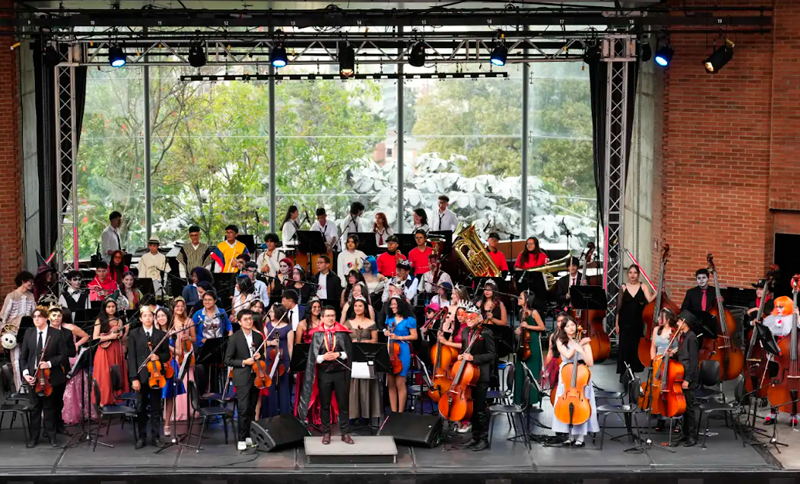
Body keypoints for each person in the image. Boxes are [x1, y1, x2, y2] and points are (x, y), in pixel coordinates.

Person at [297, 305, 354, 445]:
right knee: (325, 404)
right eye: (327, 316)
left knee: (343, 404)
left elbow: (350, 354)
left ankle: (345, 433)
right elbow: (311, 357)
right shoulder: (316, 334)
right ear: (322, 318)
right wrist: (323, 357)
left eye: (332, 316)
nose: (330, 318)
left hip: (340, 372)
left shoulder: (342, 332)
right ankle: (326, 433)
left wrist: (338, 354)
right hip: (324, 373)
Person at [20, 306, 70, 448]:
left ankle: (52, 437)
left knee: (49, 407)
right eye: (34, 317)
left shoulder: (56, 334)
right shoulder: (29, 333)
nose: (36, 319)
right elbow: (23, 357)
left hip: (50, 377)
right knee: (35, 408)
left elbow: (63, 355)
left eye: (39, 316)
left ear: (46, 318)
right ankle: (33, 438)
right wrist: (26, 374)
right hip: (33, 377)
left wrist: (48, 363)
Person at [126, 305, 170, 449]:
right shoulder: (133, 334)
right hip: (141, 376)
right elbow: (131, 357)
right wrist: (134, 378)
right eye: (144, 316)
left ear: (154, 318)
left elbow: (166, 355)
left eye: (150, 316)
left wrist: (158, 356)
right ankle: (142, 437)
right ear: (140, 318)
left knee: (156, 408)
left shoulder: (161, 334)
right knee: (141, 408)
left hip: (156, 376)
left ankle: (156, 437)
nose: (148, 318)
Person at [552, 316, 599, 447]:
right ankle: (569, 435)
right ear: (563, 329)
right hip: (567, 376)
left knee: (581, 404)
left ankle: (581, 437)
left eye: (572, 325)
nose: (571, 328)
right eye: (567, 326)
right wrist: (579, 345)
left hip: (581, 376)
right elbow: (567, 355)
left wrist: (582, 350)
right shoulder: (560, 340)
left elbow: (590, 362)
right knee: (565, 404)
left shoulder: (584, 343)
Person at [456, 303, 496, 451]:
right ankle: (474, 437)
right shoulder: (466, 332)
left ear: (479, 318)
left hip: (481, 374)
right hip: (468, 375)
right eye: (467, 317)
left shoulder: (486, 333)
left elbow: (492, 354)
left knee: (480, 408)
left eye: (472, 317)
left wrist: (474, 358)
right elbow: (464, 348)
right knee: (471, 408)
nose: (469, 319)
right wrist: (461, 355)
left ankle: (483, 439)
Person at [223, 309, 264, 452]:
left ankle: (249, 436)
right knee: (243, 409)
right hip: (242, 377)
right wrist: (244, 362)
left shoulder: (258, 338)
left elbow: (262, 357)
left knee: (252, 408)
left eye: (250, 319)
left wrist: (260, 357)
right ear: (239, 322)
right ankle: (241, 438)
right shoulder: (234, 338)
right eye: (245, 319)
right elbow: (227, 360)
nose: (249, 321)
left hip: (256, 376)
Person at [51, 307, 93, 427]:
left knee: (74, 384)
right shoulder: (52, 328)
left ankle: (75, 412)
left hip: (71, 358)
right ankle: (60, 414)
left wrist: (76, 345)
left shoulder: (70, 327)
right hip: (58, 359)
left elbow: (86, 336)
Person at [760, 296, 799, 426]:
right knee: (773, 382)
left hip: (791, 356)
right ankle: (773, 412)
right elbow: (766, 335)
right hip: (775, 356)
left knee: (794, 386)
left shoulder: (793, 318)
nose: (778, 309)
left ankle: (794, 413)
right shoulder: (771, 319)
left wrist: (797, 317)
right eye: (777, 306)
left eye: (781, 306)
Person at [344, 296, 382, 426]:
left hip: (366, 357)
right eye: (355, 306)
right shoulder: (347, 323)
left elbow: (375, 340)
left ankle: (366, 415)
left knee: (366, 383)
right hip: (352, 357)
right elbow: (343, 341)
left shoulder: (371, 322)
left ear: (365, 308)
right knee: (353, 384)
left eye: (360, 306)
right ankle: (352, 414)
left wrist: (363, 341)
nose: (358, 308)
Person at [615, 265, 655, 378]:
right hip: (624, 322)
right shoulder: (623, 287)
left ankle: (633, 371)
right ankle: (623, 373)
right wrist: (616, 323)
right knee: (624, 346)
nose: (632, 275)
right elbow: (618, 307)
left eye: (635, 273)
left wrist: (658, 292)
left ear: (638, 274)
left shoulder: (643, 286)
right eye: (630, 273)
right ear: (627, 274)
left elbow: (650, 299)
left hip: (637, 322)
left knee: (635, 345)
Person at [1, 271, 36, 388]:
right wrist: (2, 335)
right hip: (13, 333)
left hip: (27, 332)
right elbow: (3, 316)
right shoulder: (11, 296)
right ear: (22, 281)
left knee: (28, 358)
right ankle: (19, 388)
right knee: (16, 361)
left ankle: (29, 385)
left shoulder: (31, 296)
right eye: (29, 281)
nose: (32, 284)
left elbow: (34, 314)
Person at [670, 310, 700, 447]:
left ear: (685, 323)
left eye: (679, 320)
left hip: (689, 376)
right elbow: (683, 356)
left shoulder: (692, 338)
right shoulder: (682, 336)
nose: (677, 322)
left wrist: (688, 379)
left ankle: (692, 436)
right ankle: (685, 433)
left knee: (689, 408)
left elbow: (693, 361)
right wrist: (674, 355)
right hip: (682, 374)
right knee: (684, 406)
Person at [92, 299, 129, 406]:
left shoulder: (119, 321)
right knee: (104, 375)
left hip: (116, 348)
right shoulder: (100, 320)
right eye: (109, 306)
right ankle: (103, 400)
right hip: (104, 350)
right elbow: (95, 338)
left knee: (116, 374)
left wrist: (126, 332)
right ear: (105, 308)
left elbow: (121, 340)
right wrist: (110, 336)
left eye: (113, 306)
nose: (111, 308)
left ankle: (115, 399)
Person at [384, 296, 418, 413]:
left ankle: (400, 412)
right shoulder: (389, 318)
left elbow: (414, 336)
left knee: (400, 382)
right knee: (391, 383)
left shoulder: (409, 320)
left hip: (402, 349)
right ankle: (393, 411)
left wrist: (399, 337)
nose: (392, 306)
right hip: (390, 349)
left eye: (394, 304)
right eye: (391, 304)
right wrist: (387, 332)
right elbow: (387, 330)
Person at [167, 297, 195, 433]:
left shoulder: (189, 321)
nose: (180, 308)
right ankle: (175, 412)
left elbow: (195, 338)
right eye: (177, 306)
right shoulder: (169, 322)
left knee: (187, 379)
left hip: (186, 351)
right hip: (173, 354)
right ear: (172, 308)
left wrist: (189, 338)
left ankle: (187, 410)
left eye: (182, 306)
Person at [514, 291, 546, 407]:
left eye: (520, 297)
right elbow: (522, 325)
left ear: (527, 300)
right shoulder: (521, 312)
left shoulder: (534, 313)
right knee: (520, 367)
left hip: (532, 342)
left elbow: (542, 327)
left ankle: (531, 399)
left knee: (531, 368)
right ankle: (520, 397)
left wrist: (528, 326)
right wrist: (518, 329)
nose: (518, 299)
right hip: (523, 341)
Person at [650, 308, 679, 432]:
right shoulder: (656, 330)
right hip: (658, 362)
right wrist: (653, 359)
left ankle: (676, 419)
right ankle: (660, 418)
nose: (658, 320)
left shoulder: (674, 331)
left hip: (669, 362)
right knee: (658, 390)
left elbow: (677, 347)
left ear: (667, 319)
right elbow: (653, 347)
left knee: (671, 389)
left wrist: (672, 352)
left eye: (661, 317)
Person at [263, 304, 294, 417]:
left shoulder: (288, 327)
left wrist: (290, 362)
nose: (270, 314)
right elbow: (263, 342)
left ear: (278, 313)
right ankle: (270, 414)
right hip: (270, 359)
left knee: (284, 386)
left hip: (283, 358)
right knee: (270, 385)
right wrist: (271, 343)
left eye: (271, 311)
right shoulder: (267, 325)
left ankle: (285, 415)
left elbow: (290, 346)